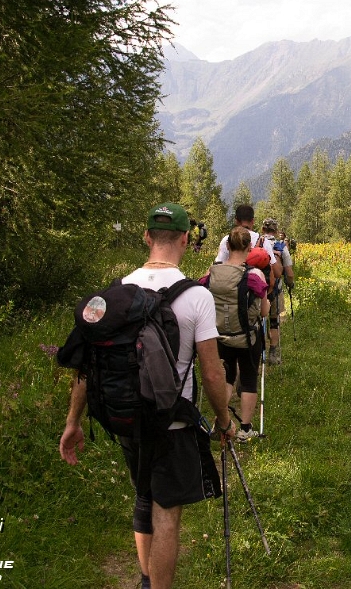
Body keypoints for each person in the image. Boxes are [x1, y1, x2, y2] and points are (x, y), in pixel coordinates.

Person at [59, 201, 236, 589]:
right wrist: (224, 421)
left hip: (125, 417)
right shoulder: (196, 297)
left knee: (143, 497)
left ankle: (145, 579)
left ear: (146, 237)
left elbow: (88, 366)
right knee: (166, 511)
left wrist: (73, 422)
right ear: (186, 240)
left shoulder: (117, 293)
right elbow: (210, 372)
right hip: (172, 422)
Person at [200, 227, 268, 442]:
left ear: (227, 246)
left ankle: (222, 422)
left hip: (220, 336)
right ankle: (245, 429)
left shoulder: (212, 274)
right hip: (248, 337)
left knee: (226, 377)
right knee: (248, 378)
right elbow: (265, 311)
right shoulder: (254, 276)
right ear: (249, 247)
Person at [259, 218, 294, 365]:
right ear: (275, 230)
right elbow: (289, 273)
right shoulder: (281, 246)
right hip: (275, 290)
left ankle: (257, 352)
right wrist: (290, 283)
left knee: (256, 320)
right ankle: (273, 353)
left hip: (257, 289)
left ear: (262, 230)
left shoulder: (257, 243)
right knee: (274, 321)